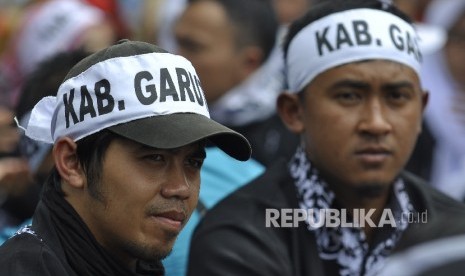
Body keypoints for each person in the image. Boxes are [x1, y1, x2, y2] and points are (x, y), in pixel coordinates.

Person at [187, 1, 465, 275]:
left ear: (421, 109)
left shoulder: (452, 231)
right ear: (293, 111)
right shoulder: (238, 238)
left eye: (397, 97)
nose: (377, 124)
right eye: (348, 96)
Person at [0, 39, 251, 275]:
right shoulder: (27, 268)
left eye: (193, 162)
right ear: (71, 162)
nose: (181, 188)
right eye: (154, 158)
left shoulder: (129, 259)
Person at [174, 0, 300, 166]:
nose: (174, 58)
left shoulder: (288, 148)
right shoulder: (164, 118)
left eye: (193, 47)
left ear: (249, 62)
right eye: (176, 42)